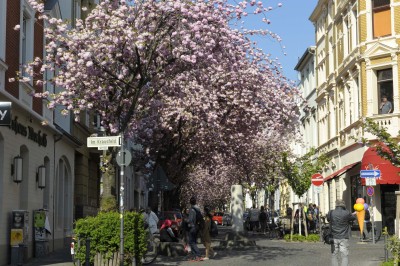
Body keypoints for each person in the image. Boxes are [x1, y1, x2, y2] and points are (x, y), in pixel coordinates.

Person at [327, 199, 356, 266]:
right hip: (344, 236)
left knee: (334, 254)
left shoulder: (331, 212)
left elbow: (328, 219)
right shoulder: (346, 212)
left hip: (333, 236)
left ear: (336, 205)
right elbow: (353, 218)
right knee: (344, 255)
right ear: (343, 205)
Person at [187, 196, 203, 261]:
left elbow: (190, 220)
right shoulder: (197, 209)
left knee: (191, 242)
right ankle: (194, 256)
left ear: (190, 202)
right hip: (197, 227)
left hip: (192, 227)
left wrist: (186, 220)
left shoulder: (192, 209)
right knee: (193, 241)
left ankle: (198, 255)